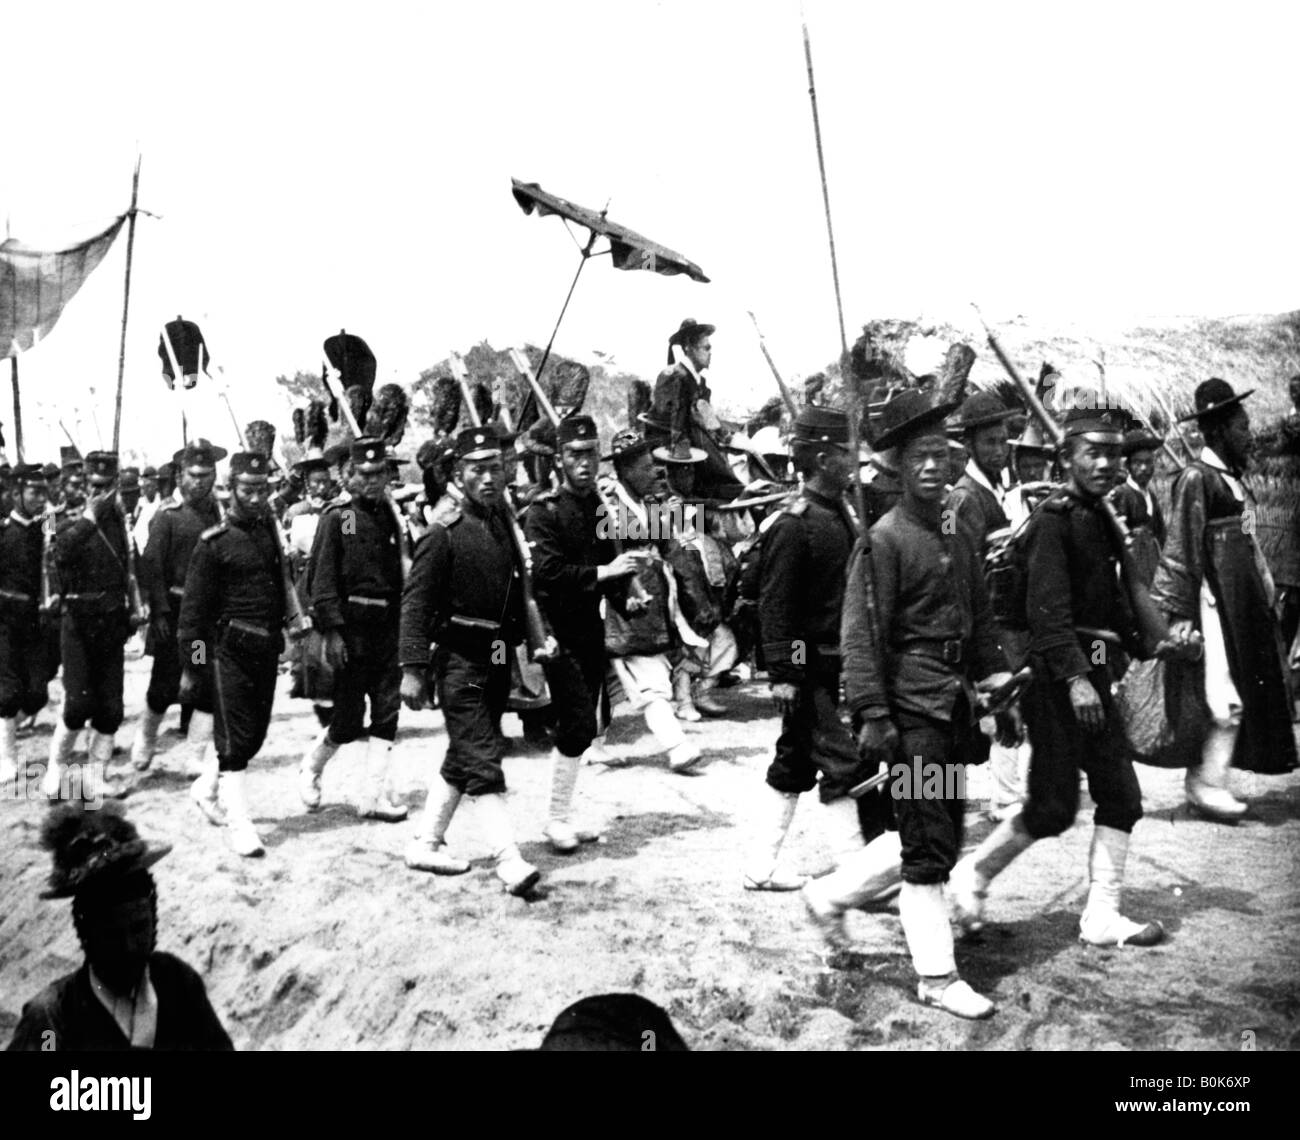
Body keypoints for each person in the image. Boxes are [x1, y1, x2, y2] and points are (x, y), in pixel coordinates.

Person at [949, 402, 1168, 950]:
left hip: (1083, 669)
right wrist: (1075, 679)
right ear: (1066, 458)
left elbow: (1109, 608)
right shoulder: (1054, 520)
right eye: (1093, 454)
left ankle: (1080, 910)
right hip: (1056, 676)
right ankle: (973, 877)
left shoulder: (1096, 517)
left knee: (1082, 801)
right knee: (1079, 801)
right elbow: (1048, 611)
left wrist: (1155, 643)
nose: (1107, 465)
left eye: (1114, 455)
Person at [836, 390, 1012, 1018]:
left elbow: (980, 616)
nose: (934, 466)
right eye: (921, 457)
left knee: (941, 825)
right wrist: (874, 715)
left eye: (942, 454)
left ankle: (831, 895)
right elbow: (860, 635)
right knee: (928, 837)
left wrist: (995, 685)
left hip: (952, 705)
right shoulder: (881, 540)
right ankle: (936, 978)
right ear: (899, 468)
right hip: (911, 711)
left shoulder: (957, 527)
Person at [746, 407, 883, 894]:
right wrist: (786, 672)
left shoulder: (841, 511)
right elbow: (776, 606)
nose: (853, 461)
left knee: (795, 761)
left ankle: (760, 866)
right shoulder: (793, 524)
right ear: (824, 459)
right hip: (808, 660)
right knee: (844, 762)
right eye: (845, 453)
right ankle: (856, 873)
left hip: (833, 658)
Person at [1150, 378, 1298, 820]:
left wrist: (1266, 586)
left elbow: (1249, 542)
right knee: (1221, 696)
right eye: (1240, 427)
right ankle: (1204, 784)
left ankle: (1210, 780)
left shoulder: (1232, 482)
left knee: (1240, 691)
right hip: (1211, 604)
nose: (1248, 434)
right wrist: (1180, 614)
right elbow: (1181, 546)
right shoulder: (1198, 479)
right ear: (1216, 431)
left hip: (1242, 607)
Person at [400, 426, 539, 894]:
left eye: (495, 468)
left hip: (497, 654)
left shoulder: (501, 523)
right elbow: (416, 604)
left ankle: (425, 842)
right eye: (477, 470)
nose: (488, 479)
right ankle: (508, 859)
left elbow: (517, 591)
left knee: (465, 752)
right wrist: (413, 670)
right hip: (459, 659)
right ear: (458, 474)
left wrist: (535, 641)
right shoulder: (443, 532)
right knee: (483, 755)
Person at [7, 801, 233, 1051]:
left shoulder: (178, 983)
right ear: (85, 933)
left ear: (153, 920)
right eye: (111, 935)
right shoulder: (51, 1019)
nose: (128, 947)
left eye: (138, 928)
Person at [525, 416, 645, 851]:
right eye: (574, 455)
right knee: (576, 722)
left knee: (584, 726)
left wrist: (624, 598)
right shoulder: (543, 511)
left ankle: (563, 816)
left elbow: (607, 569)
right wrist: (606, 572)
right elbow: (549, 572)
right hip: (554, 631)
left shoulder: (597, 505)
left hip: (588, 628)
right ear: (558, 460)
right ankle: (555, 820)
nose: (584, 462)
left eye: (590, 453)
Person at [177, 451, 289, 857]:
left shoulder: (268, 533)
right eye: (248, 490)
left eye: (262, 489)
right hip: (228, 654)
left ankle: (205, 788)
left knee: (253, 738)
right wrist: (196, 667)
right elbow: (193, 617)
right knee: (233, 741)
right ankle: (241, 825)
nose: (256, 498)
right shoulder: (213, 544)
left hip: (266, 649)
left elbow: (281, 589)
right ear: (232, 490)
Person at [297, 438, 408, 821]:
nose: (374, 481)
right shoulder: (341, 517)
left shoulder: (391, 517)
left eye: (380, 474)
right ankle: (310, 768)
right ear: (351, 476)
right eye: (365, 474)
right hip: (352, 630)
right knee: (346, 721)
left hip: (387, 629)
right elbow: (323, 580)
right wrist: (333, 632)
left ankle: (373, 796)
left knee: (387, 709)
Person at [601, 430, 708, 774]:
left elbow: (677, 548)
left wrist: (697, 598)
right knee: (649, 676)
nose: (654, 473)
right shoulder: (606, 505)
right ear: (626, 470)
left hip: (657, 596)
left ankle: (589, 743)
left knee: (610, 677)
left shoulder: (655, 503)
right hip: (624, 599)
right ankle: (677, 747)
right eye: (646, 467)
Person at [42, 452, 137, 802]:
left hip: (111, 619)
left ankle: (96, 776)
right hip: (76, 621)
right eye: (93, 485)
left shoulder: (120, 520)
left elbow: (129, 566)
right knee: (77, 705)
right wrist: (87, 519)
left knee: (111, 707)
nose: (99, 492)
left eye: (106, 486)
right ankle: (56, 770)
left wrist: (133, 609)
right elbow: (56, 554)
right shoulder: (52, 517)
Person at [131, 439, 228, 775]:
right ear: (180, 475)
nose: (200, 481)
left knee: (201, 681)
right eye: (193, 474)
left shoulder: (220, 513)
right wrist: (157, 611)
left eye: (206, 474)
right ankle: (145, 740)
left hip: (204, 620)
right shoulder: (167, 517)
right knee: (165, 685)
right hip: (174, 615)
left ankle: (196, 756)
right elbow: (151, 566)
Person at [0, 464, 55, 784]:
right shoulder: (4, 530)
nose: (40, 498)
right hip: (4, 620)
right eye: (34, 492)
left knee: (38, 694)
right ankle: (7, 758)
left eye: (43, 492)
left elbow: (55, 542)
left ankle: (5, 729)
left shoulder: (43, 529)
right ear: (16, 494)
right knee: (7, 693)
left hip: (34, 621)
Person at [647, 318, 743, 499]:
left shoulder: (700, 383)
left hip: (698, 447)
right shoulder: (674, 376)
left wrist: (729, 437)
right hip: (677, 457)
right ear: (689, 347)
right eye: (706, 348)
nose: (710, 353)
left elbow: (710, 421)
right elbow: (671, 426)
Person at [1109, 426, 1166, 587]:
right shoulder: (1122, 494)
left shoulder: (1151, 497)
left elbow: (1161, 533)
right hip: (1131, 570)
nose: (1144, 468)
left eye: (1148, 462)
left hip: (1153, 566)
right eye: (1138, 463)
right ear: (1128, 466)